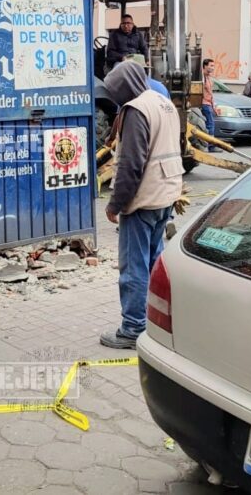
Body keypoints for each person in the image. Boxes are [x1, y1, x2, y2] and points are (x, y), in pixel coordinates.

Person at [100, 62, 183, 349]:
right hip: (166, 194)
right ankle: (153, 320)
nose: (116, 99)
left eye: (116, 93)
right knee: (153, 262)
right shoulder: (163, 102)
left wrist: (116, 204)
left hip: (144, 199)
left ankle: (133, 328)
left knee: (133, 267)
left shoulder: (136, 109)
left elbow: (131, 166)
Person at [201, 58, 218, 151]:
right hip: (205, 104)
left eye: (213, 66)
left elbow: (211, 93)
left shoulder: (208, 77)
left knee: (209, 124)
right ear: (205, 66)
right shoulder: (202, 77)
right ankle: (211, 146)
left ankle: (208, 145)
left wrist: (214, 105)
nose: (213, 68)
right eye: (211, 66)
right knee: (210, 124)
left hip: (209, 104)